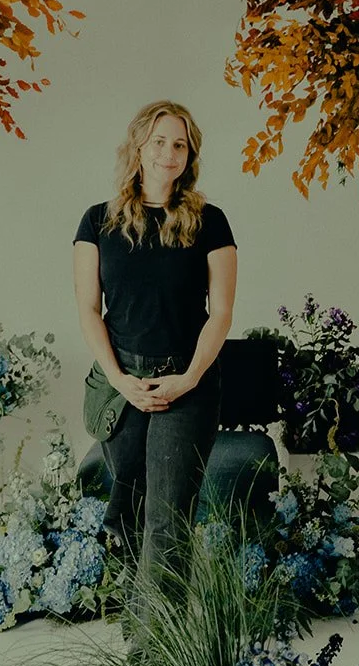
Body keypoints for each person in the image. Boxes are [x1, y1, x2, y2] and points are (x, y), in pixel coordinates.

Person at [73, 100, 237, 606]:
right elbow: (88, 310)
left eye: (180, 144)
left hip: (184, 386)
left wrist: (187, 379)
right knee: (123, 509)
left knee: (166, 520)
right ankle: (130, 617)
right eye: (159, 141)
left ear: (190, 155)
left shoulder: (209, 222)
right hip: (122, 387)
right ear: (139, 147)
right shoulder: (97, 222)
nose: (169, 153)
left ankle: (156, 654)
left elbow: (222, 312)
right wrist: (121, 381)